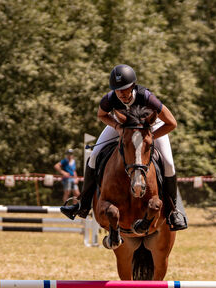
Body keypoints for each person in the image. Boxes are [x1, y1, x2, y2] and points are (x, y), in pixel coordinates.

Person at [60, 64, 187, 231]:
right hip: (123, 127)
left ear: (133, 86)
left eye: (125, 89)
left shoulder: (147, 97)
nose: (122, 94)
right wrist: (117, 126)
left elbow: (172, 123)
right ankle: (83, 204)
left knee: (169, 163)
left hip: (152, 127)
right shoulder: (109, 99)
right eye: (118, 90)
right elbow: (101, 115)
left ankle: (173, 211)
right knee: (94, 154)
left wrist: (147, 140)